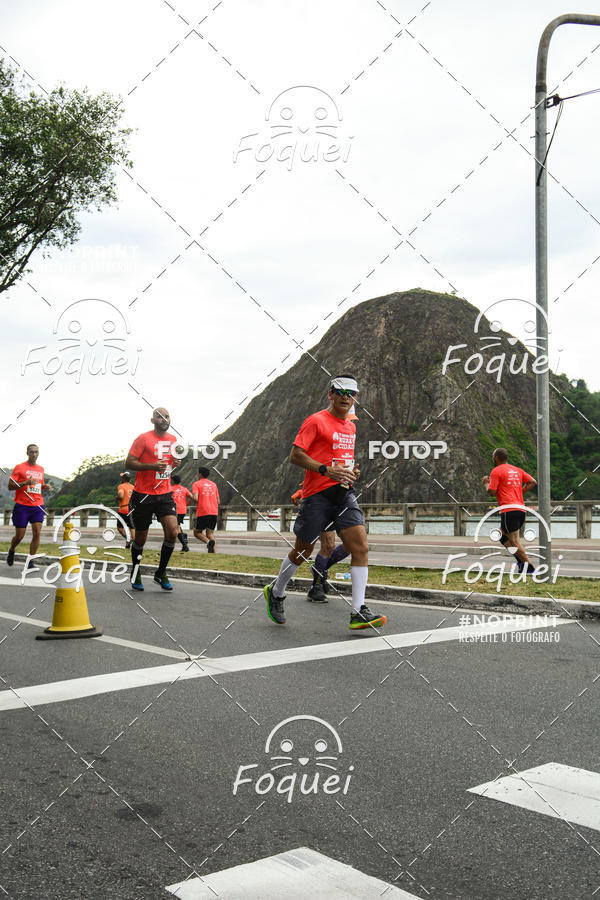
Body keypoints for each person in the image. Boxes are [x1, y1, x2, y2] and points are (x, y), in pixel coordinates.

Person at [264, 375, 386, 630]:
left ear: (355, 398)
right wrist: (325, 470)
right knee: (302, 551)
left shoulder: (351, 427)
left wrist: (352, 472)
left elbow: (343, 459)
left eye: (351, 393)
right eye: (340, 392)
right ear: (330, 394)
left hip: (344, 492)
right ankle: (276, 592)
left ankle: (358, 611)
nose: (345, 397)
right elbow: (296, 456)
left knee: (360, 547)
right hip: (316, 495)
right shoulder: (315, 420)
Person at [125, 407, 179, 591]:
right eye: (160, 416)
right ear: (152, 420)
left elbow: (168, 466)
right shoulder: (143, 438)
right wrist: (151, 466)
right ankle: (136, 571)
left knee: (173, 532)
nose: (164, 419)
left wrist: (175, 463)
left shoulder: (173, 440)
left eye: (167, 416)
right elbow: (129, 463)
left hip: (165, 494)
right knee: (140, 538)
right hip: (143, 495)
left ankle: (161, 572)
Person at [291, 484, 349, 602]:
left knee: (351, 545)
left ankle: (319, 569)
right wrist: (305, 492)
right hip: (318, 501)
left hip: (341, 499)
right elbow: (317, 472)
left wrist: (355, 473)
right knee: (326, 546)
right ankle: (315, 587)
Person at [482, 447, 537, 573]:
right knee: (501, 536)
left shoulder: (496, 471)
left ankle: (529, 567)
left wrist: (486, 483)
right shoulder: (517, 470)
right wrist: (520, 492)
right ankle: (521, 563)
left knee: (514, 541)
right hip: (520, 509)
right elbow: (532, 482)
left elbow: (491, 491)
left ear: (496, 458)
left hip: (509, 509)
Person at [6, 444, 50, 566]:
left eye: (36, 452)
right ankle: (12, 549)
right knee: (19, 536)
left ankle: (30, 561)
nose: (34, 454)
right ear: (27, 453)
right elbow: (10, 486)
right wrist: (25, 482)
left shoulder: (40, 469)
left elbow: (37, 485)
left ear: (38, 453)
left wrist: (44, 486)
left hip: (37, 505)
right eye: (31, 452)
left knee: (37, 533)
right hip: (22, 505)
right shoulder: (19, 467)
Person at [192, 467, 219, 552]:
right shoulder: (214, 484)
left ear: (200, 474)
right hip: (214, 511)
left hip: (204, 511)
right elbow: (218, 500)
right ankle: (213, 553)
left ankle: (208, 542)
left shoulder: (196, 484)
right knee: (210, 533)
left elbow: (195, 498)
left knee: (197, 533)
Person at [171, 473, 192, 552]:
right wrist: (186, 504)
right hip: (183, 510)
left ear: (173, 481)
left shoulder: (170, 488)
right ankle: (184, 541)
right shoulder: (184, 489)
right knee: (177, 526)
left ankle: (185, 545)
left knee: (176, 527)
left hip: (174, 510)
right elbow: (192, 497)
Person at [115, 471, 134, 549]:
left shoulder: (121, 486)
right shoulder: (133, 487)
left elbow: (121, 495)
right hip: (132, 510)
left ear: (123, 478)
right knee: (132, 527)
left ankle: (128, 538)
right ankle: (133, 541)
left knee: (120, 527)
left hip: (123, 509)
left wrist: (117, 498)